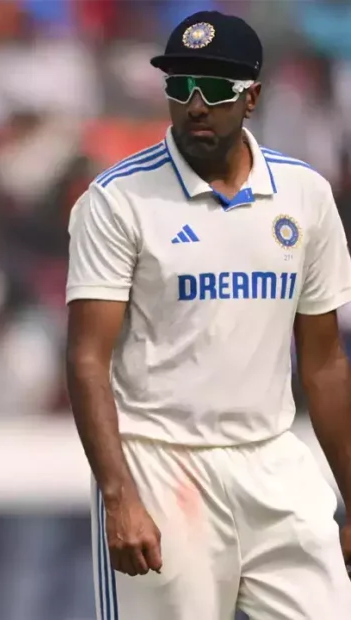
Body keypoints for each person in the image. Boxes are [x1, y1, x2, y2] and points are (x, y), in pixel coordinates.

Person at [65, 10, 351, 620]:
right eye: (181, 86)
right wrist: (119, 496)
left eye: (216, 88)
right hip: (162, 465)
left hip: (273, 459)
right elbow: (87, 358)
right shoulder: (117, 198)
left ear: (252, 97)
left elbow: (325, 362)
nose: (196, 105)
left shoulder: (305, 194)